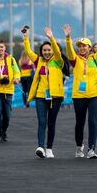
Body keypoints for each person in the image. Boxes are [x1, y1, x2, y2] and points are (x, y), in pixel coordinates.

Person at [63, 21, 97, 159]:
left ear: (89, 47)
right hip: (79, 96)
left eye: (84, 46)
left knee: (93, 121)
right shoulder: (75, 60)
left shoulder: (96, 59)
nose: (81, 48)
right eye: (79, 46)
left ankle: (92, 149)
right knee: (79, 122)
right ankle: (79, 147)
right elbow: (69, 51)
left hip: (94, 95)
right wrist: (68, 38)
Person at [23, 26, 64, 159]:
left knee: (51, 123)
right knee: (42, 122)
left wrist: (51, 38)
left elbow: (57, 52)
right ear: (41, 52)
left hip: (55, 96)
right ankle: (40, 146)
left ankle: (49, 148)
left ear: (52, 50)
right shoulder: (38, 61)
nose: (46, 52)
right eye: (44, 50)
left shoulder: (58, 61)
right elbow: (28, 51)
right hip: (41, 96)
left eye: (49, 50)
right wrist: (25, 37)